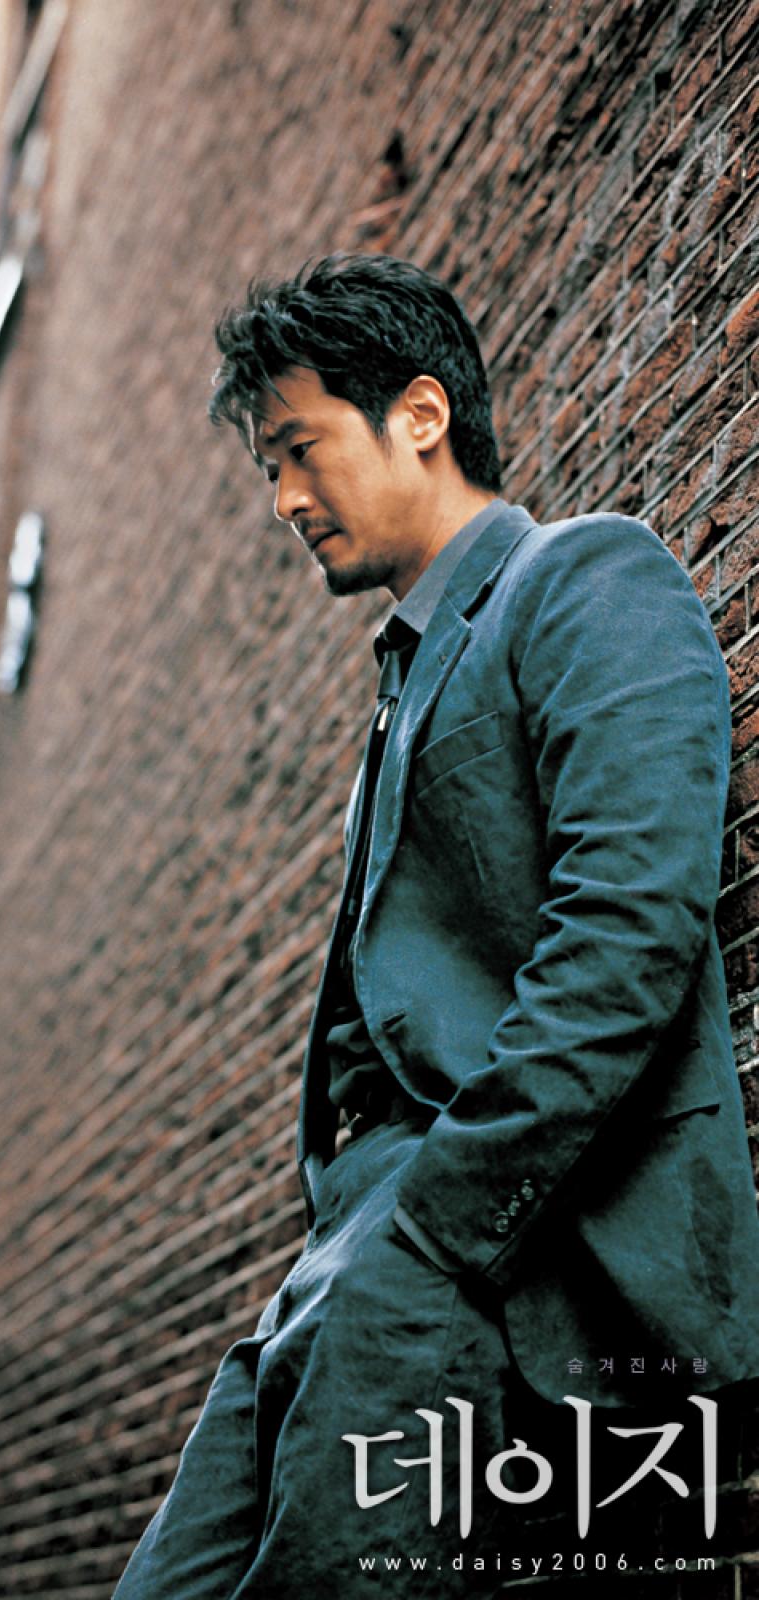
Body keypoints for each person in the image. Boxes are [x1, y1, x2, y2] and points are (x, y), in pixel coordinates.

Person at [112, 254, 759, 1598]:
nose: (284, 500)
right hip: (351, 1248)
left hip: (483, 1243)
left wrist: (443, 1218)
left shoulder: (584, 580)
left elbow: (628, 934)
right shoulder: (400, 686)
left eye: (300, 450)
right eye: (267, 470)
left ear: (419, 414)